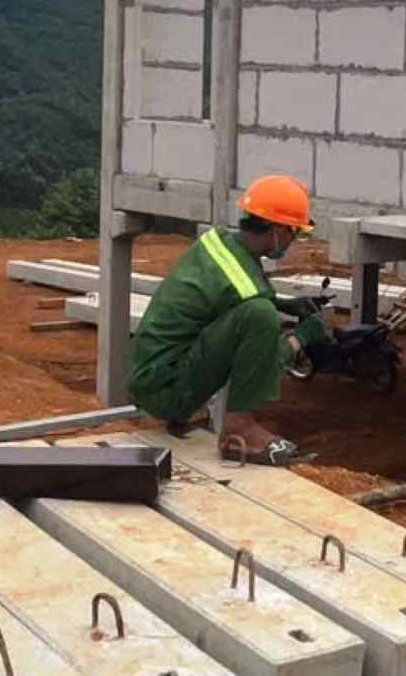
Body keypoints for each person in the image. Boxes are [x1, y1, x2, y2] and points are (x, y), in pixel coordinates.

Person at [127, 174, 324, 464]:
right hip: (167, 391)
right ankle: (239, 429)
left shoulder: (218, 243)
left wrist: (286, 304)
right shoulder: (248, 289)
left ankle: (193, 413)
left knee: (261, 309)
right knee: (262, 316)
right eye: (294, 233)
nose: (292, 241)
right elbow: (265, 354)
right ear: (279, 229)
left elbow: (225, 296)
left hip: (152, 374)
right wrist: (303, 337)